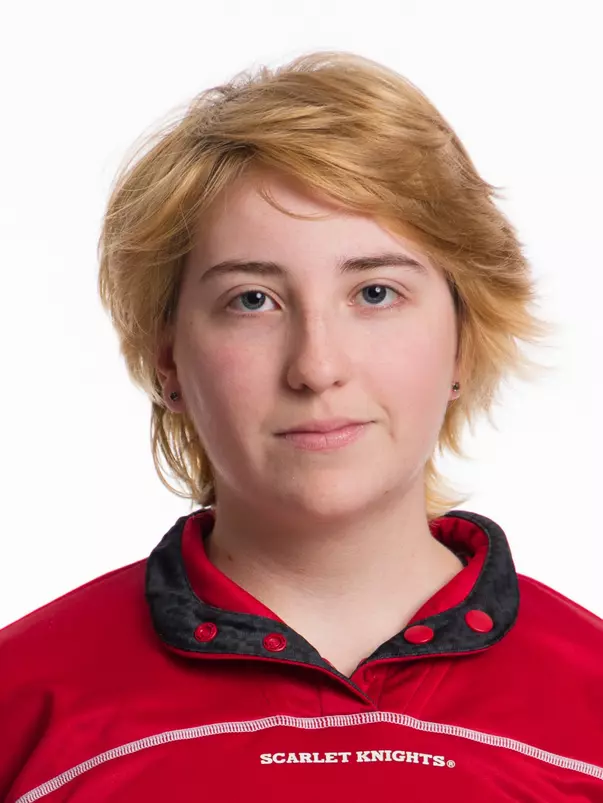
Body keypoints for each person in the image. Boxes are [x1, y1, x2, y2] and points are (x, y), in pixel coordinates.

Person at [1, 50, 602, 803]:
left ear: (463, 338)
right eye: (252, 300)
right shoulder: (20, 703)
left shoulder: (591, 710)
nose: (316, 367)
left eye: (375, 292)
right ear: (169, 362)